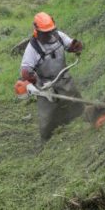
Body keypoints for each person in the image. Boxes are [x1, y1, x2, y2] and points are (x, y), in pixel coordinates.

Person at [20, 12, 85, 141]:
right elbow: (25, 70)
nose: (49, 34)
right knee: (47, 117)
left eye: (50, 31)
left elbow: (70, 45)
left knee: (77, 104)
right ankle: (47, 140)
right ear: (37, 31)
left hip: (63, 77)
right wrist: (30, 77)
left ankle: (81, 125)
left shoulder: (58, 36)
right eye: (45, 33)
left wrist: (75, 46)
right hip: (45, 85)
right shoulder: (32, 48)